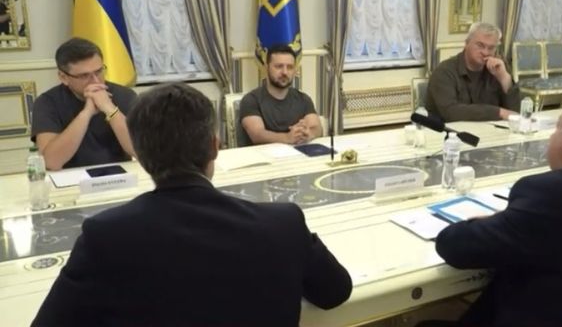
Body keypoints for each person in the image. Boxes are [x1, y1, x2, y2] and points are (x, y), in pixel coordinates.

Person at [31, 83, 353, 327]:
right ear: (215, 147)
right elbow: (335, 291)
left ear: (140, 157)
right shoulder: (284, 223)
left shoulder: (105, 236)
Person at [434, 91, 562, 327]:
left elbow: (454, 245)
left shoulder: (552, 195)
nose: (551, 137)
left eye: (557, 128)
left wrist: (503, 220)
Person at [31, 37, 136, 170]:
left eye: (99, 71)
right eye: (84, 76)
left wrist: (110, 109)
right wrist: (86, 113)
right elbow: (51, 162)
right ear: (63, 77)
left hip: (119, 178)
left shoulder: (125, 95)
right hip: (69, 182)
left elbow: (141, 152)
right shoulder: (47, 103)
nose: (95, 80)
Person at [426, 22, 520, 122]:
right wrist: (498, 112)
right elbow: (451, 112)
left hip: (491, 134)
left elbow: (515, 113)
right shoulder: (444, 72)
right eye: (480, 45)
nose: (485, 52)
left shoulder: (498, 68)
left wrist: (505, 79)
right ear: (466, 43)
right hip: (450, 134)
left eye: (491, 48)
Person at [239, 44, 322, 146]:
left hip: (298, 156)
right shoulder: (251, 100)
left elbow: (317, 128)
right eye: (279, 66)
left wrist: (308, 133)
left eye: (290, 67)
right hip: (263, 158)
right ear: (266, 67)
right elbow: (257, 135)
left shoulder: (303, 99)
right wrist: (287, 138)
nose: (285, 72)